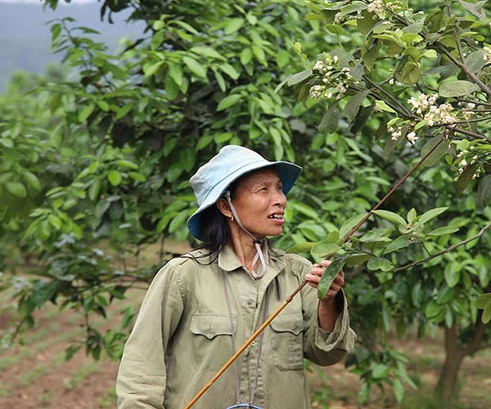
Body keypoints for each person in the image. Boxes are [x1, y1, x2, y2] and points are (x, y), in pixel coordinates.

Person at [116, 145, 356, 409]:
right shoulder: (184, 276)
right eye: (263, 190)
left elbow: (328, 353)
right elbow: (141, 366)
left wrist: (328, 301)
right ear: (225, 206)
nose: (280, 199)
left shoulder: (298, 273)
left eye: (278, 188)